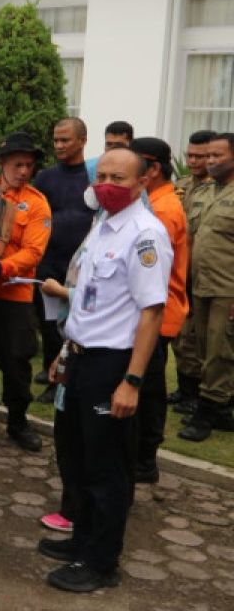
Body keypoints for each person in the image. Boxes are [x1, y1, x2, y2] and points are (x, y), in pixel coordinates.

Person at [38, 148, 169, 592]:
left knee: (106, 466)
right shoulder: (101, 227)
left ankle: (101, 562)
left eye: (120, 177)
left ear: (142, 182)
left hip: (113, 362)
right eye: (103, 175)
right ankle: (82, 540)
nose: (108, 183)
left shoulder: (145, 234)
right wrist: (63, 352)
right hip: (80, 355)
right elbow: (87, 295)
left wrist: (131, 381)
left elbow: (151, 312)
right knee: (75, 456)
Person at [0, 132, 51, 453]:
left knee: (16, 362)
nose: (23, 171)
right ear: (2, 163)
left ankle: (18, 422)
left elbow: (33, 251)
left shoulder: (37, 203)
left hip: (14, 296)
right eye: (18, 164)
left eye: (29, 165)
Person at [128, 137, 189, 482]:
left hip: (156, 313)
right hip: (153, 311)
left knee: (148, 389)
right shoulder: (155, 202)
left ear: (152, 169)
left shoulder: (161, 210)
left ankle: (145, 461)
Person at [32, 118, 94, 405]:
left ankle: (77, 379)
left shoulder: (92, 178)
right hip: (49, 265)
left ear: (82, 140)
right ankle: (52, 378)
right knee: (50, 326)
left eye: (65, 140)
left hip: (82, 268)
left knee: (78, 324)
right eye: (55, 140)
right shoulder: (44, 178)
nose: (58, 145)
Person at [178, 133, 234, 441]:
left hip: (228, 288)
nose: (210, 161)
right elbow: (190, 236)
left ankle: (207, 414)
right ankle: (223, 410)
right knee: (202, 348)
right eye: (207, 155)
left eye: (217, 156)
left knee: (219, 352)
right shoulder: (203, 192)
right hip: (200, 284)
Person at [169, 129, 217, 411]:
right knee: (180, 335)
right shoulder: (182, 185)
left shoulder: (219, 190)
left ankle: (202, 395)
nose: (195, 161)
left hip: (207, 273)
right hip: (180, 270)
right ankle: (184, 390)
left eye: (202, 156)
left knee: (202, 339)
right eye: (191, 156)